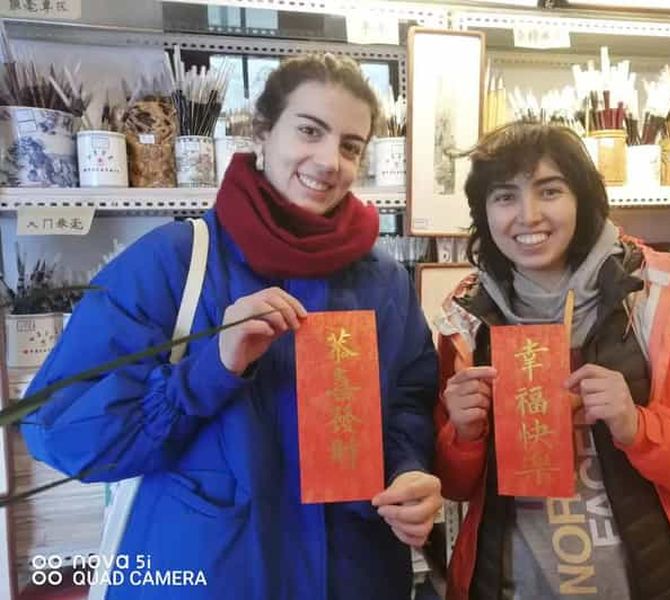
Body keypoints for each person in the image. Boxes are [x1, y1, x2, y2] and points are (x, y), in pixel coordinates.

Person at [22, 53, 442, 599]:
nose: (329, 160)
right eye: (309, 131)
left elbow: (409, 398)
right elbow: (59, 430)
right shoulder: (173, 263)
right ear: (262, 134)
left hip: (354, 573)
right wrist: (210, 367)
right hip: (206, 573)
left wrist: (407, 472)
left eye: (350, 145)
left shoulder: (382, 280)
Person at [433, 122, 670, 600]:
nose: (528, 216)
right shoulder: (468, 318)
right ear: (484, 213)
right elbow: (454, 486)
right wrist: (463, 435)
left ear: (582, 198)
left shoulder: (663, 298)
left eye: (549, 190)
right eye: (504, 196)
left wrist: (639, 427)